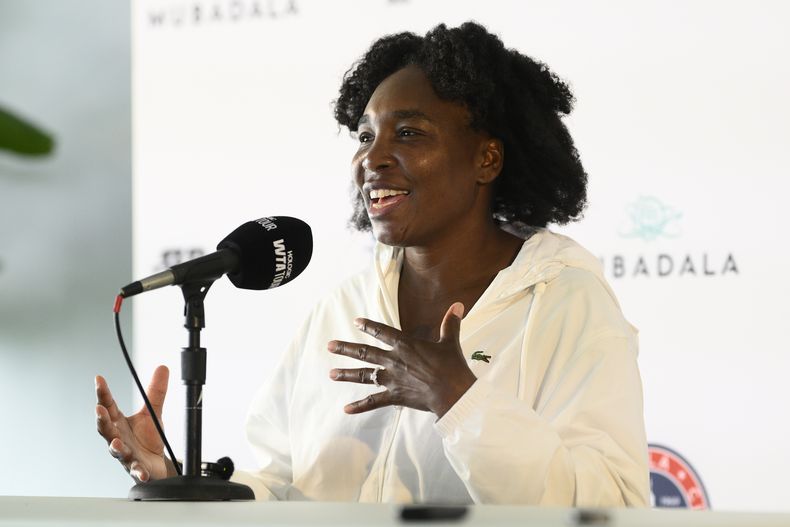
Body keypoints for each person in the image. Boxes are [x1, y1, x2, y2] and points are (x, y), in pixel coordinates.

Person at [96, 22, 649, 506]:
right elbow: (286, 490)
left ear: (487, 158)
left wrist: (460, 398)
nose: (372, 159)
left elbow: (611, 503)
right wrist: (178, 481)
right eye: (364, 136)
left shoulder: (564, 300)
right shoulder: (343, 308)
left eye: (408, 133)